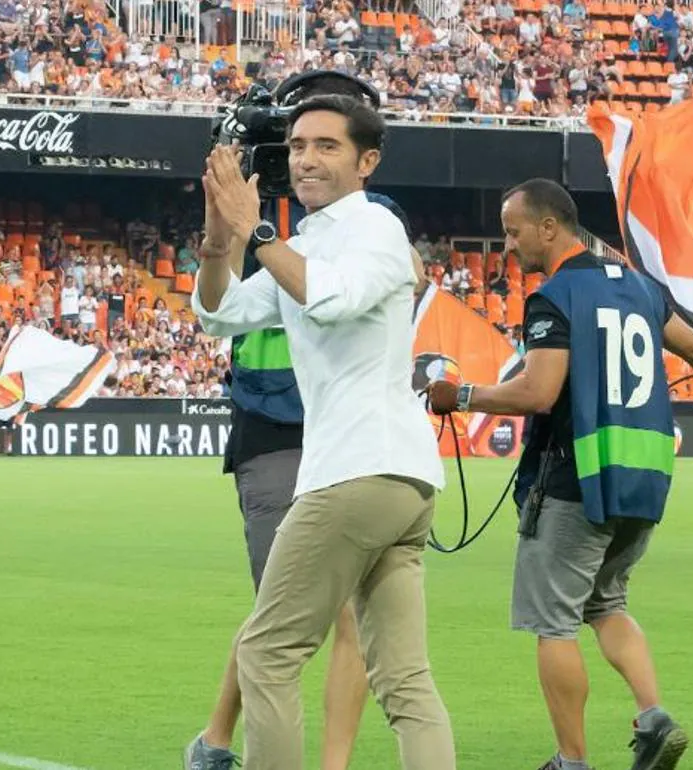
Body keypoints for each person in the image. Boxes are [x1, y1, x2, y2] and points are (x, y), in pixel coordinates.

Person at [426, 179, 693, 770]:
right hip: (645, 479)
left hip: (577, 482)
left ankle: (571, 761)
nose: (509, 244)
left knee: (554, 624)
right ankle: (654, 717)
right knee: (607, 604)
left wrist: (461, 393)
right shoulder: (642, 288)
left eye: (513, 230)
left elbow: (539, 392)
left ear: (549, 228)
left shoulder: (554, 297)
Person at [192, 94, 457, 770]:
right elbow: (222, 314)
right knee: (404, 678)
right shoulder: (305, 244)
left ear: (367, 162)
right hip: (399, 477)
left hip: (355, 470)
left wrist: (257, 234)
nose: (305, 158)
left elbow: (331, 299)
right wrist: (219, 237)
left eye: (327, 146)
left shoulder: (373, 229)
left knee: (267, 650)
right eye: (299, 145)